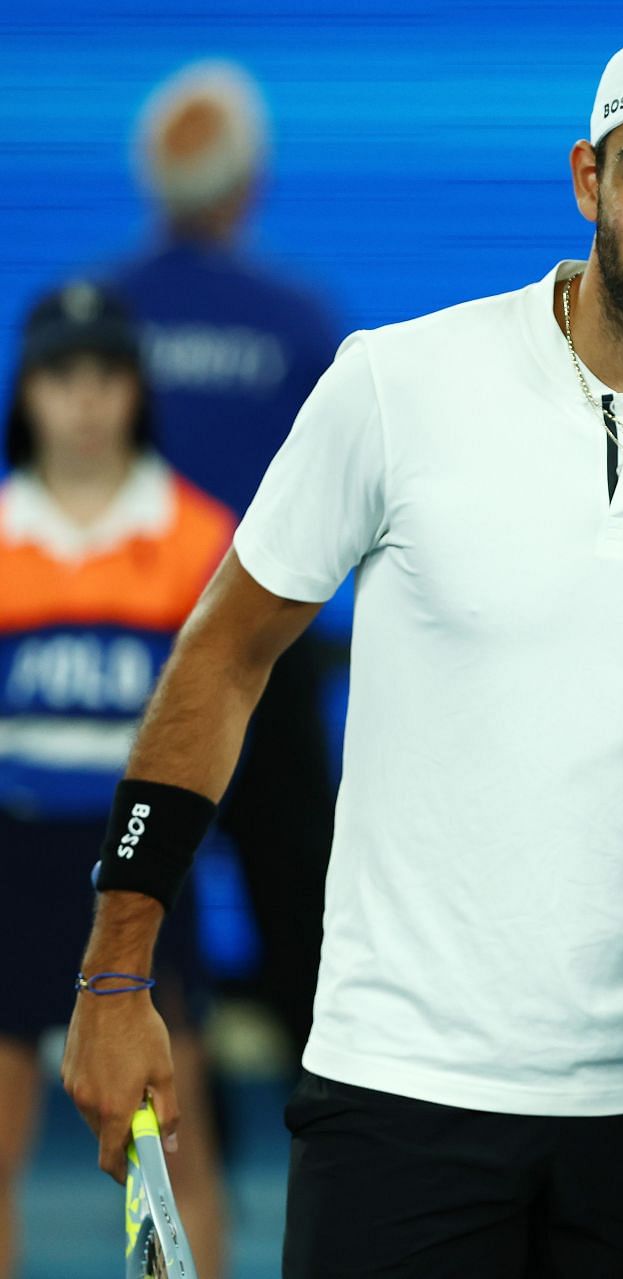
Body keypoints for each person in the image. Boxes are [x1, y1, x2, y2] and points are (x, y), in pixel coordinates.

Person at [61, 16, 623, 1274]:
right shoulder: (397, 383)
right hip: (400, 1094)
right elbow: (225, 655)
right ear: (586, 179)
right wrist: (116, 973)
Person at [0, 282, 231, 1278]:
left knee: (172, 1147)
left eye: (106, 375)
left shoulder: (200, 539)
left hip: (147, 878)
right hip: (13, 865)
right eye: (63, 375)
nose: (85, 399)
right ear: (30, 391)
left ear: (134, 388)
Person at [112, 59, 342, 1052]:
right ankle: (330, 1103)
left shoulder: (93, 323)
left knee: (127, 890)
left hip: (122, 653)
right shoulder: (296, 326)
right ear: (253, 180)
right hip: (267, 660)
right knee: (298, 900)